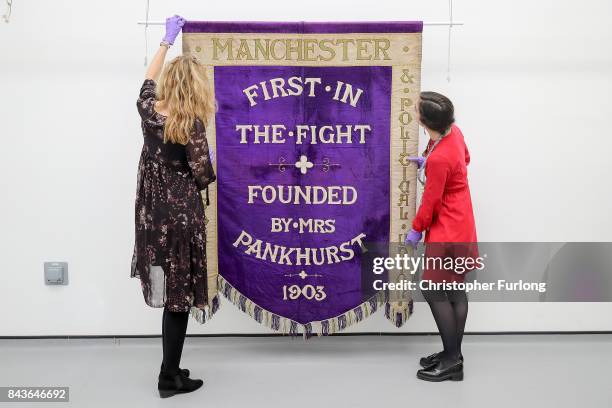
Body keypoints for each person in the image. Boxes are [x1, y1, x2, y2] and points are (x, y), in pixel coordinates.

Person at [130, 15, 216, 398]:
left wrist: (166, 42)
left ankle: (173, 366)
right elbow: (203, 175)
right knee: (178, 297)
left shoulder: (150, 113)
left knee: (169, 290)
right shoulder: (191, 125)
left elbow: (147, 82)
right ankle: (169, 377)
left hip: (152, 217)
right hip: (181, 217)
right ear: (195, 87)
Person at [404, 92, 478, 382]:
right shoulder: (454, 133)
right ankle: (453, 353)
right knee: (455, 287)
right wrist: (429, 159)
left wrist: (416, 229)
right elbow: (466, 158)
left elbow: (431, 203)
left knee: (433, 288)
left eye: (417, 109)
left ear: (424, 121)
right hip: (462, 219)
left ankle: (451, 361)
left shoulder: (440, 158)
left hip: (447, 226)